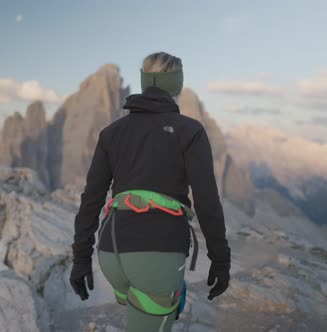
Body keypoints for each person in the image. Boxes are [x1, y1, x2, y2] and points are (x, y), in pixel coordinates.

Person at [70, 52, 231, 331]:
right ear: (176, 85)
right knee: (156, 308)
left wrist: (81, 258)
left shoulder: (111, 132)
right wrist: (220, 259)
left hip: (111, 253)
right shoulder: (189, 131)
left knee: (157, 306)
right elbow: (206, 202)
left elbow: (91, 199)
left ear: (145, 83)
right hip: (156, 253)